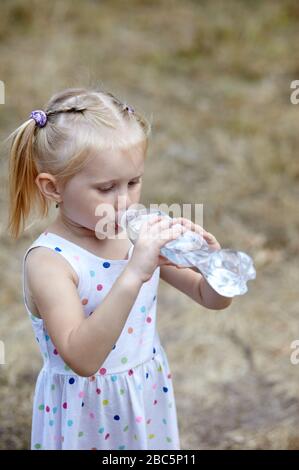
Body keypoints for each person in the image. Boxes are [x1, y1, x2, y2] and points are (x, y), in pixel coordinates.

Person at [6, 86, 232, 450]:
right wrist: (133, 274)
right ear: (53, 188)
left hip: (143, 397)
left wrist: (215, 265)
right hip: (85, 413)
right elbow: (83, 358)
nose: (125, 200)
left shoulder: (135, 234)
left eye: (133, 182)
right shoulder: (50, 261)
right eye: (107, 187)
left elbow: (211, 299)